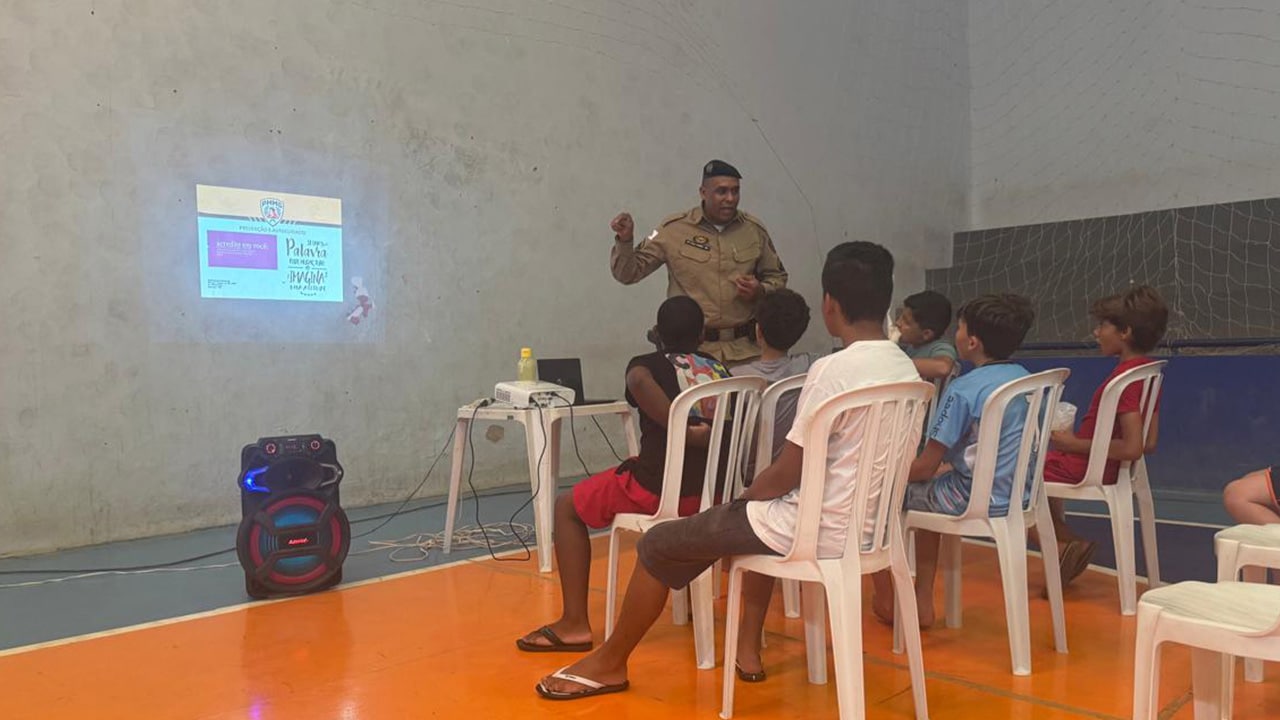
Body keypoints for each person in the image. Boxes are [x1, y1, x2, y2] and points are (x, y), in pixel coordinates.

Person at [534, 241, 919, 699]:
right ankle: (745, 644)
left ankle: (610, 663)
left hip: (808, 528)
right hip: (869, 532)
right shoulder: (905, 369)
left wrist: (748, 496)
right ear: (887, 302)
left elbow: (786, 473)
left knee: (661, 542)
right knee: (732, 526)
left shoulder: (833, 370)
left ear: (829, 304)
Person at [515, 296, 730, 654]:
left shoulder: (645, 363)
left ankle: (574, 624)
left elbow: (639, 380)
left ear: (657, 334)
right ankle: (690, 604)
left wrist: (680, 427)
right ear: (703, 334)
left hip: (660, 490)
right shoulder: (718, 368)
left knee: (567, 506)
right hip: (715, 494)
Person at [871, 293, 1036, 628]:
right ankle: (921, 597)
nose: (956, 334)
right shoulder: (1027, 379)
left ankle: (891, 598)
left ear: (972, 341)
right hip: (1019, 495)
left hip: (969, 496)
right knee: (926, 489)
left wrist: (881, 474)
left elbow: (925, 466)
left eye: (959, 328)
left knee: (885, 496)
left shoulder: (964, 388)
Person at [1038, 285, 1168, 587]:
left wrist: (1072, 444)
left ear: (1125, 332)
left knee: (1018, 477)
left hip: (1087, 466)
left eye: (1102, 326)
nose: (1096, 333)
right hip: (1104, 466)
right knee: (1041, 472)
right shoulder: (1148, 372)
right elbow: (1149, 442)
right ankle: (1062, 548)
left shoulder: (1123, 382)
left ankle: (1064, 543)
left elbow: (1133, 446)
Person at [609, 160, 788, 365]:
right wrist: (625, 240)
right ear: (703, 192)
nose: (730, 199)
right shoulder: (672, 229)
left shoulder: (753, 230)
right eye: (721, 191)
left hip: (745, 352)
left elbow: (778, 277)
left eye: (735, 191)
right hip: (691, 355)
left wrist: (761, 290)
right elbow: (628, 274)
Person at [730, 288, 818, 477]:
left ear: (758, 331)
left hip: (746, 476)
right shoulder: (812, 365)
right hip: (796, 472)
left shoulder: (736, 377)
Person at [895, 290, 959, 382]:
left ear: (926, 334)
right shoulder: (911, 347)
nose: (897, 323)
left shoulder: (941, 347)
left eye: (906, 322)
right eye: (900, 317)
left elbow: (943, 367)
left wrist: (897, 363)